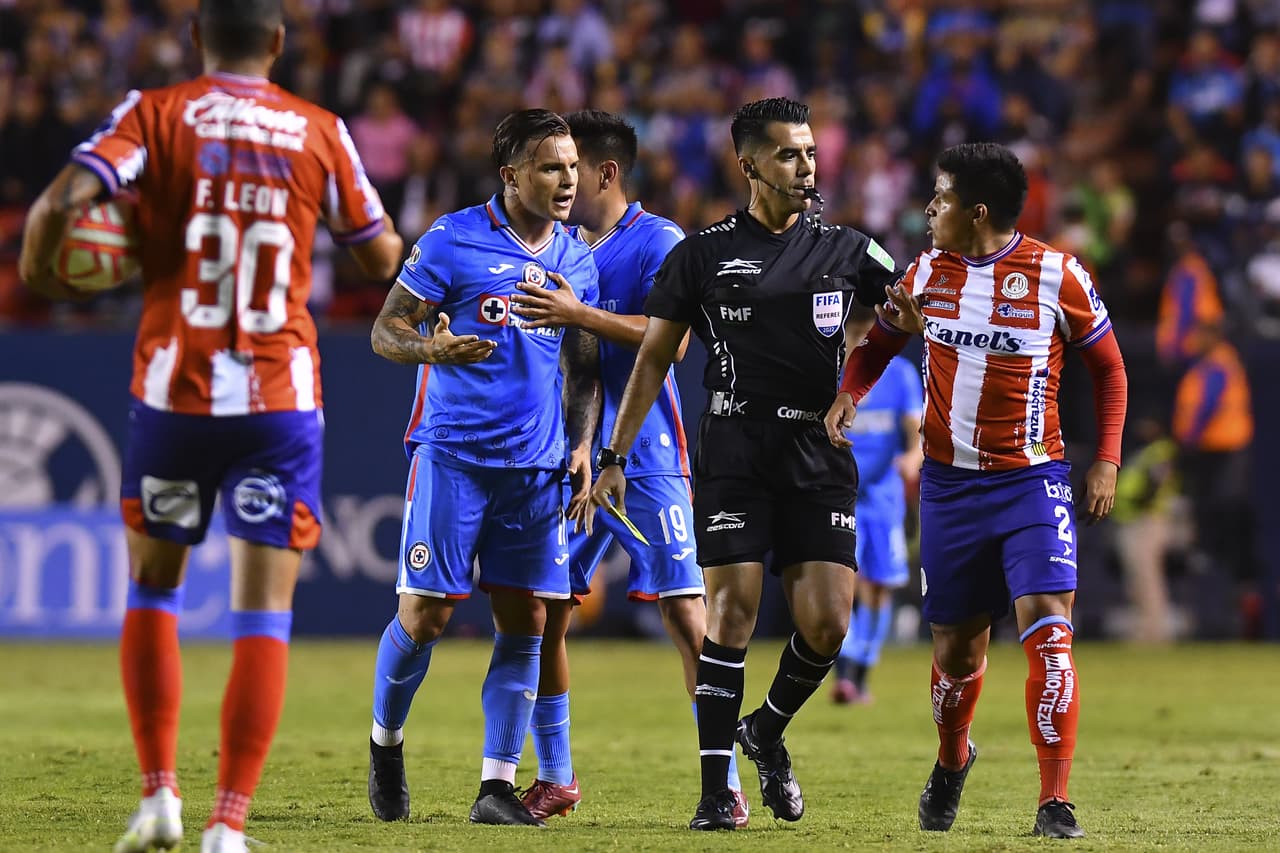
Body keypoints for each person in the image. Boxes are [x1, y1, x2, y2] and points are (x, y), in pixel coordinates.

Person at [16, 2, 403, 852]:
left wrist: (46, 264)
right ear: (277, 41)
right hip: (277, 399)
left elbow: (62, 201)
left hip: (173, 392)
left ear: (196, 41)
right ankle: (229, 824)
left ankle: (158, 797)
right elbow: (383, 260)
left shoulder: (153, 113)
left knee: (152, 586)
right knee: (263, 609)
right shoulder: (319, 130)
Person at [587, 97, 904, 831]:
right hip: (735, 447)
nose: (807, 167)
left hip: (816, 451)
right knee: (730, 612)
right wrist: (613, 455)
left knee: (827, 624)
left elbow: (907, 309)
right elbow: (654, 359)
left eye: (812, 153)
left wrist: (870, 364)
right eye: (790, 154)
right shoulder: (698, 255)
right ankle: (712, 795)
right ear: (751, 163)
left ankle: (763, 730)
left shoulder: (852, 250)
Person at [825, 142, 1128, 839]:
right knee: (957, 654)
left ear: (976, 211)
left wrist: (1106, 458)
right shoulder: (926, 271)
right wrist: (851, 390)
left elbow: (1109, 370)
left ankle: (1055, 798)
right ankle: (952, 756)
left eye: (940, 197)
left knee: (1050, 631)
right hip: (950, 489)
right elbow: (880, 342)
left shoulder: (1058, 275)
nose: (929, 208)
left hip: (1031, 480)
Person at [506, 108, 747, 825]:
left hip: (648, 457)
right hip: (572, 459)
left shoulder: (660, 242)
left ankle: (723, 781)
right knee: (544, 613)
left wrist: (579, 315)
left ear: (605, 172)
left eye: (574, 167)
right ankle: (555, 776)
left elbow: (669, 345)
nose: (563, 177)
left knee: (686, 615)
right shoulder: (561, 247)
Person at [364, 108, 602, 828]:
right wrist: (429, 351)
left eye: (572, 166)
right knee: (426, 614)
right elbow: (385, 329)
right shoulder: (453, 238)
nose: (567, 180)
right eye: (550, 167)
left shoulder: (576, 259)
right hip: (454, 456)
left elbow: (583, 364)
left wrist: (584, 444)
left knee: (526, 617)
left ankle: (495, 784)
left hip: (536, 468)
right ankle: (386, 741)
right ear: (512, 174)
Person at [831, 352, 923, 705]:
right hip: (840, 493)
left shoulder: (899, 373)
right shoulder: (834, 368)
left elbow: (914, 431)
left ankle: (861, 674)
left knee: (879, 587)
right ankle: (844, 672)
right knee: (843, 583)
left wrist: (913, 457)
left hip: (885, 496)